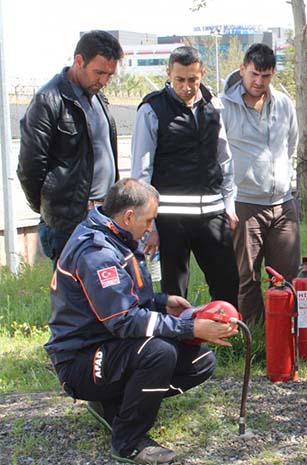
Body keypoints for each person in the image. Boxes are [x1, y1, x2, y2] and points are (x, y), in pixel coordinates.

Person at [45, 178, 237, 464]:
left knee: (201, 362)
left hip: (111, 345)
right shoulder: (96, 253)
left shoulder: (118, 236)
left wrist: (163, 302)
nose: (150, 229)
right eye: (148, 221)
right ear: (129, 216)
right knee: (159, 353)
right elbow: (123, 320)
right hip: (80, 360)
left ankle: (113, 405)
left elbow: (128, 296)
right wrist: (188, 327)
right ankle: (128, 441)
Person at [131, 46, 239, 306]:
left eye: (193, 79)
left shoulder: (213, 106)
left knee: (228, 283)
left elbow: (224, 159)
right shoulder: (152, 110)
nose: (187, 86)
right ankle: (176, 344)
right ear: (169, 73)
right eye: (180, 79)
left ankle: (226, 340)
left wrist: (229, 204)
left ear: (202, 74)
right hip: (170, 219)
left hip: (212, 215)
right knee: (175, 293)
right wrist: (150, 225)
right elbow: (141, 173)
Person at [17, 30, 123, 265]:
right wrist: (50, 208)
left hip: (104, 215)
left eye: (109, 75)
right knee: (72, 297)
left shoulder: (99, 99)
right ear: (78, 61)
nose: (104, 81)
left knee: (106, 294)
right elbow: (30, 167)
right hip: (69, 223)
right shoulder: (49, 100)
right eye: (99, 72)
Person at [221, 43, 300, 324]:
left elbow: (290, 144)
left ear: (273, 74)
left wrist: (278, 178)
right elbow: (220, 154)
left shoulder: (283, 104)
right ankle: (253, 340)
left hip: (282, 203)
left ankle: (287, 336)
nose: (259, 82)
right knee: (248, 277)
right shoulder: (224, 107)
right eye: (254, 74)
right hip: (245, 203)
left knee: (287, 278)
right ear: (242, 69)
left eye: (266, 76)